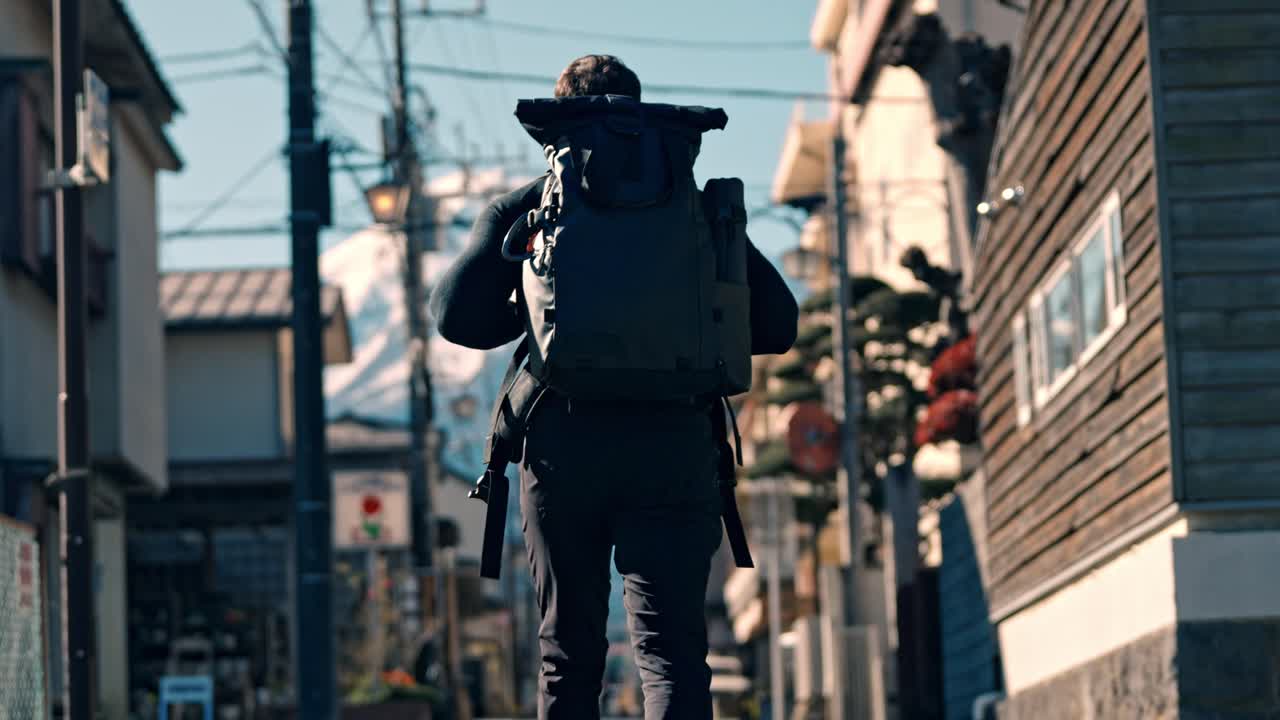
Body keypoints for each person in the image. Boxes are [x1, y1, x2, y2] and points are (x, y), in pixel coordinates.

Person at [430, 54, 798, 720]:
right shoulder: (691, 205)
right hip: (675, 442)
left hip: (562, 445)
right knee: (671, 655)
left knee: (567, 657)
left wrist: (529, 299)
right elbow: (778, 326)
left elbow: (456, 317)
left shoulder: (535, 208)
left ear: (559, 121)